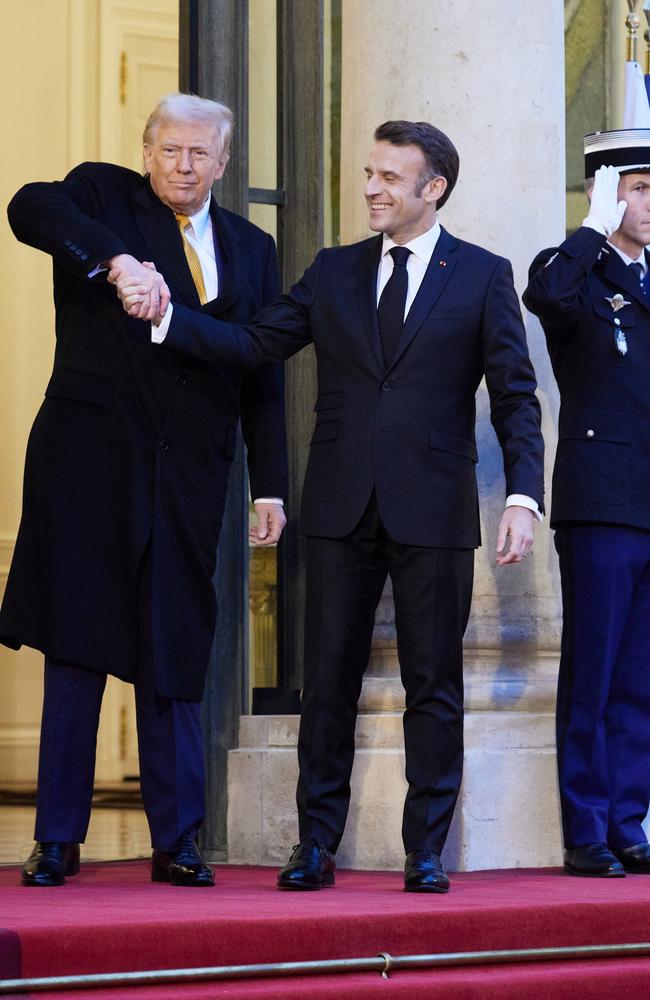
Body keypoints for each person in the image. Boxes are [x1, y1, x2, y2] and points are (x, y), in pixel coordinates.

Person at [117, 120, 544, 893]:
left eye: (389, 177)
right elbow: (254, 345)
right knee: (328, 684)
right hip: (340, 506)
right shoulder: (334, 271)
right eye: (370, 173)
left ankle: (425, 850)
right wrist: (170, 319)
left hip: (435, 508)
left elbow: (516, 396)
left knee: (434, 686)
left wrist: (522, 495)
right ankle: (315, 843)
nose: (373, 188)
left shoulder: (483, 275)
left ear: (433, 189)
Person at [0, 93, 287, 887]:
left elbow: (260, 372)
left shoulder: (252, 247)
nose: (182, 165)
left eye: (199, 154)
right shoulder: (100, 196)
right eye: (168, 150)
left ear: (223, 164)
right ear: (147, 150)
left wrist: (272, 487)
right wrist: (117, 260)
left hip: (192, 472)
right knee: (78, 645)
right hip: (89, 463)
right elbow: (28, 206)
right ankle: (57, 838)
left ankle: (179, 838)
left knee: (174, 650)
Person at [524, 130, 650, 878]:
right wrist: (591, 227)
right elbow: (545, 297)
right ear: (607, 192)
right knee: (596, 673)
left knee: (641, 680)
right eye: (639, 187)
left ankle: (631, 822)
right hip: (602, 503)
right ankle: (588, 827)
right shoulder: (573, 269)